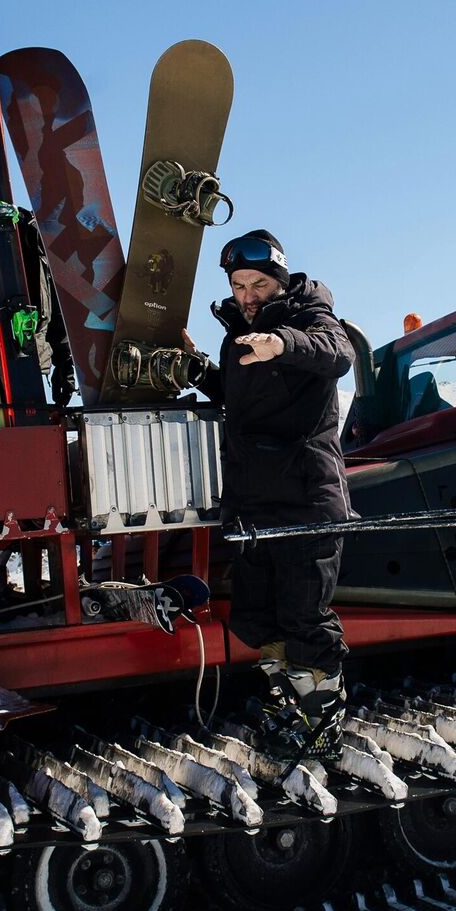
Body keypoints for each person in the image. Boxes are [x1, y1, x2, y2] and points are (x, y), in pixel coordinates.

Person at [183, 229, 355, 756]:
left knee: (306, 618)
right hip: (255, 502)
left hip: (304, 498)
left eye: (258, 283)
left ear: (279, 279)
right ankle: (287, 704)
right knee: (260, 618)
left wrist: (281, 344)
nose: (248, 295)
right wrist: (194, 365)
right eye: (239, 285)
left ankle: (323, 723)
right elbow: (239, 397)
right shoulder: (240, 334)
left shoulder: (311, 316)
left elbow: (337, 353)